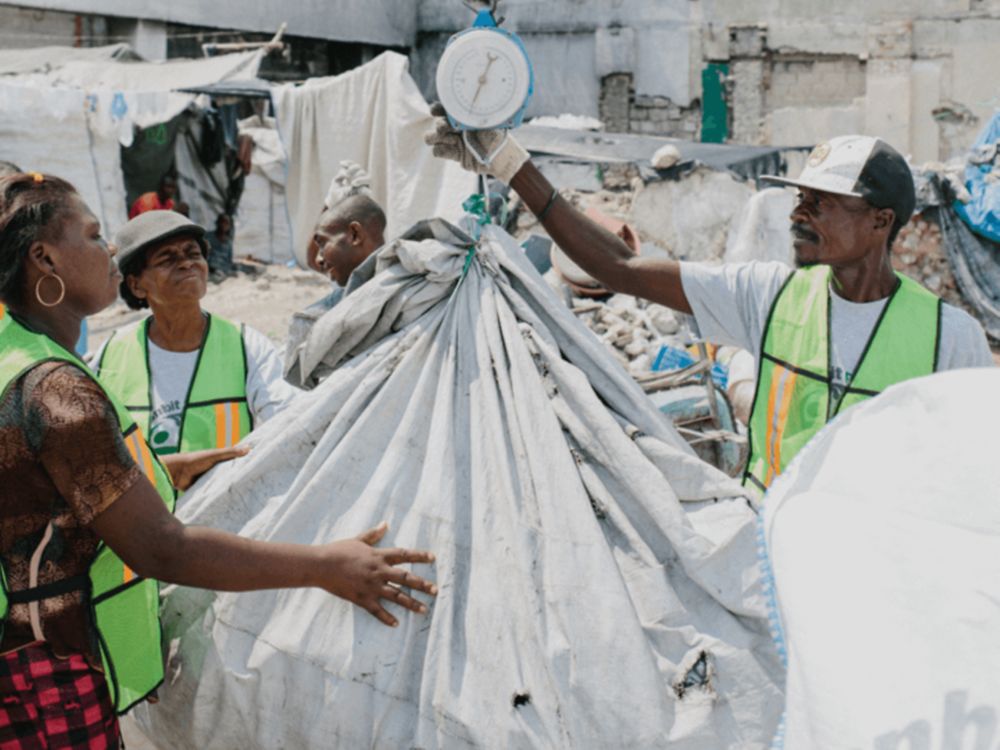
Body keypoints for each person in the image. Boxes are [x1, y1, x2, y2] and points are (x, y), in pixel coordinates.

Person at [0, 172, 436, 746]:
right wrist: (326, 566)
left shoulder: (18, 356)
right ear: (44, 259)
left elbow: (47, 490)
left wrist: (163, 469)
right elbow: (162, 549)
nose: (107, 249)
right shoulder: (63, 390)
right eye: (93, 234)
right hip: (47, 665)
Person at [426, 112, 993, 498]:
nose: (797, 214)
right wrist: (510, 165)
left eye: (820, 203)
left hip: (876, 569)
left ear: (880, 221)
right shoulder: (768, 295)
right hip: (770, 546)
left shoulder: (952, 337)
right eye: (799, 199)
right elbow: (618, 270)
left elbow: (972, 481)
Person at [93, 211, 298, 487]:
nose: (187, 264)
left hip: (224, 515)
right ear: (136, 285)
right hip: (139, 526)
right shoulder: (110, 355)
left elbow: (289, 421)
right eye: (167, 259)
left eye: (193, 254)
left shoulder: (245, 345)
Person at [286, 163, 387, 382]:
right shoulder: (414, 286)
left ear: (354, 234)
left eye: (323, 244)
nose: (319, 258)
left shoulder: (312, 323)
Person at [205, 212, 235, 276]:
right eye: (222, 222)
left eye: (227, 223)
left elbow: (229, 260)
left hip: (224, 271)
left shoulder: (229, 242)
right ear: (217, 223)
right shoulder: (208, 237)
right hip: (210, 270)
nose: (224, 225)